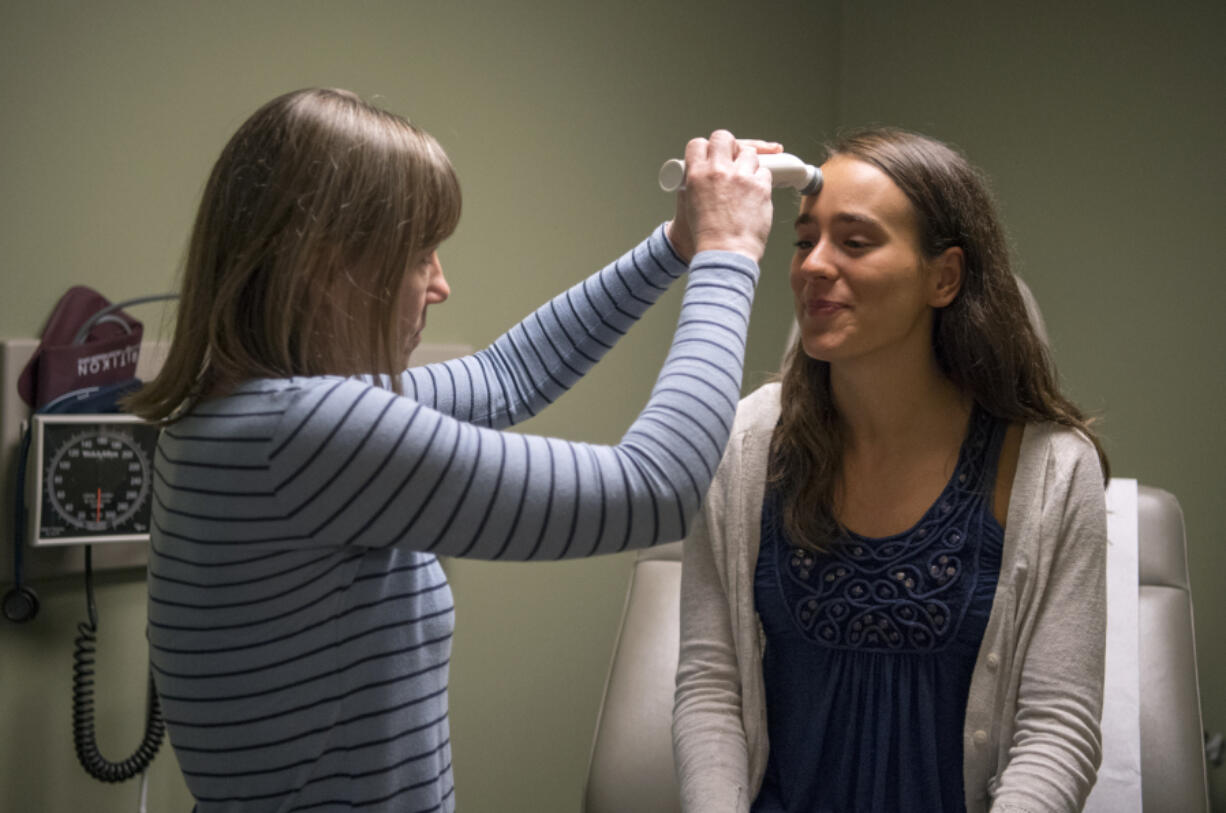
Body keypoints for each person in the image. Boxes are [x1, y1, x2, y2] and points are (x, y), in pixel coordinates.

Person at [126, 87, 777, 812]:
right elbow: (655, 491)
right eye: (418, 256)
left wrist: (677, 246)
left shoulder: (232, 418)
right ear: (326, 268)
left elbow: (505, 377)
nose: (440, 283)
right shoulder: (309, 433)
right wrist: (728, 255)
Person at [672, 128, 1110, 813]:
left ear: (945, 277)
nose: (813, 265)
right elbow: (710, 686)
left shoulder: (1051, 469)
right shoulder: (741, 446)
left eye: (854, 241)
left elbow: (1058, 728)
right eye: (804, 239)